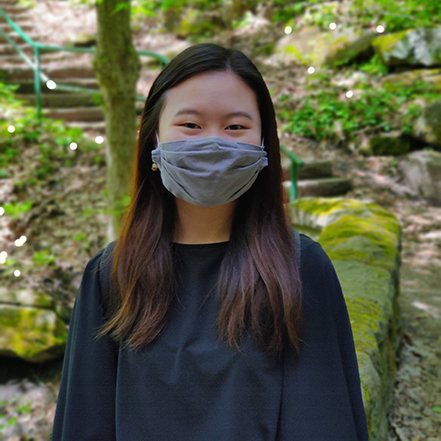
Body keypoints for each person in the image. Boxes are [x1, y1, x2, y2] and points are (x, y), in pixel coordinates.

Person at [52, 43, 369, 441]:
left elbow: (324, 424)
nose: (213, 144)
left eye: (236, 127)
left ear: (263, 143)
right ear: (153, 137)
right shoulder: (111, 275)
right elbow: (84, 424)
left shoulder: (301, 268)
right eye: (190, 125)